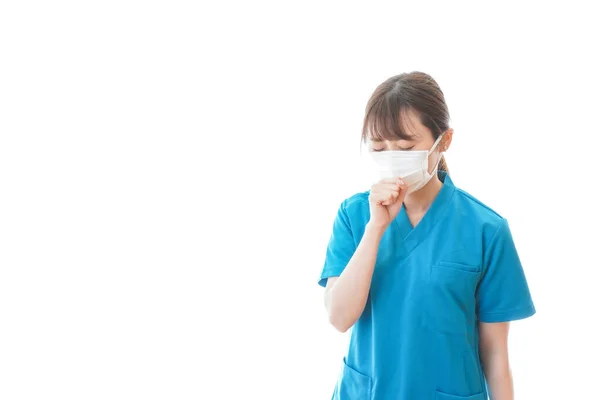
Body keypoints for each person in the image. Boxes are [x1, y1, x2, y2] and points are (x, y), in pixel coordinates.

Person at [319, 71, 535, 400]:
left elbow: (495, 353)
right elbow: (339, 317)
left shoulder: (486, 230)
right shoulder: (354, 216)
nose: (392, 157)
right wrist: (375, 228)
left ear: (444, 141)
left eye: (406, 146)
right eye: (379, 146)